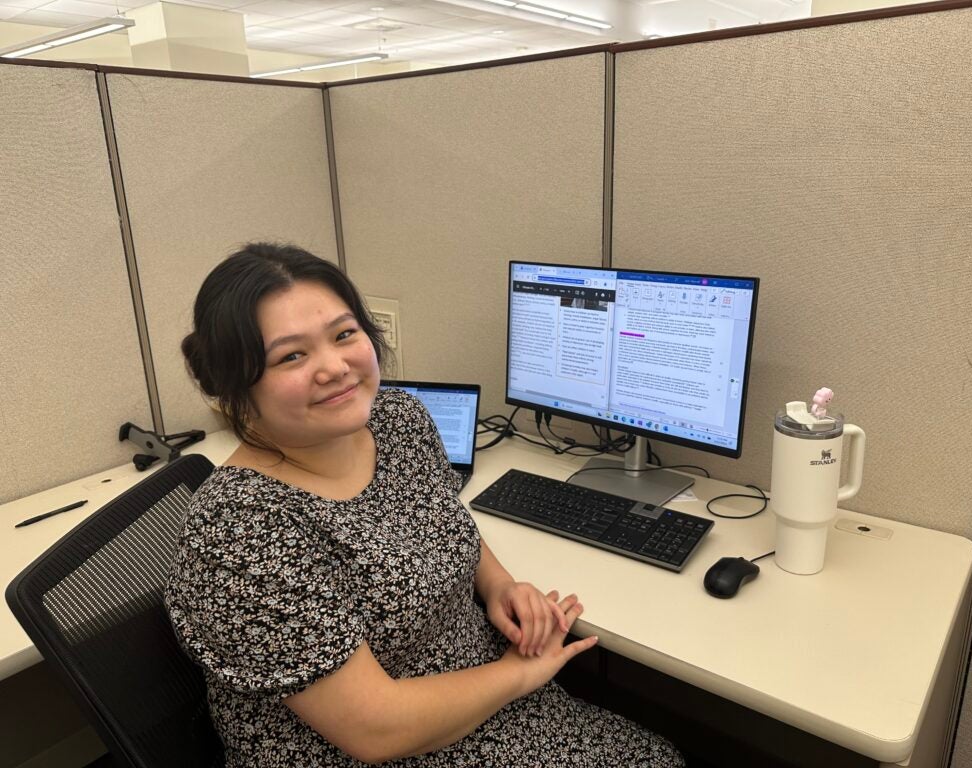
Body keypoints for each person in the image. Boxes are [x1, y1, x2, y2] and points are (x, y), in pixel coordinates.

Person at [165, 242, 685, 767]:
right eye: (291, 356)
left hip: (480, 695)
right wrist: (519, 673)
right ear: (235, 384)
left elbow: (440, 522)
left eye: (345, 334)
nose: (335, 367)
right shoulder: (241, 528)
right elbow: (374, 731)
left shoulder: (397, 420)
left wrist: (501, 585)